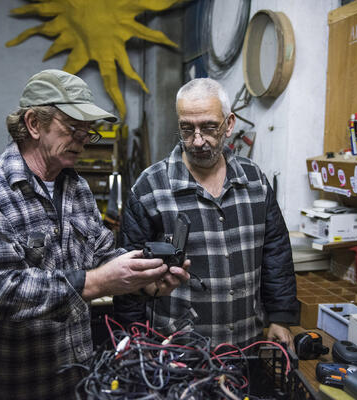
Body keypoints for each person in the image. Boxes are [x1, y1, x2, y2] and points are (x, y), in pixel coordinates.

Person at [0, 69, 189, 400]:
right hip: (10, 386)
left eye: (87, 131)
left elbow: (104, 253)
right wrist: (99, 282)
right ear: (34, 124)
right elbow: (2, 293)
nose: (82, 139)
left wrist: (145, 278)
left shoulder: (75, 187)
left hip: (76, 384)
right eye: (72, 128)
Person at [114, 77, 299, 350]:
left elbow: (276, 251)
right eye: (187, 129)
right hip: (177, 351)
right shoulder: (150, 188)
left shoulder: (255, 181)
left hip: (246, 345)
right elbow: (128, 276)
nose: (198, 141)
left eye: (209, 127)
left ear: (230, 124)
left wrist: (280, 317)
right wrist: (132, 342)